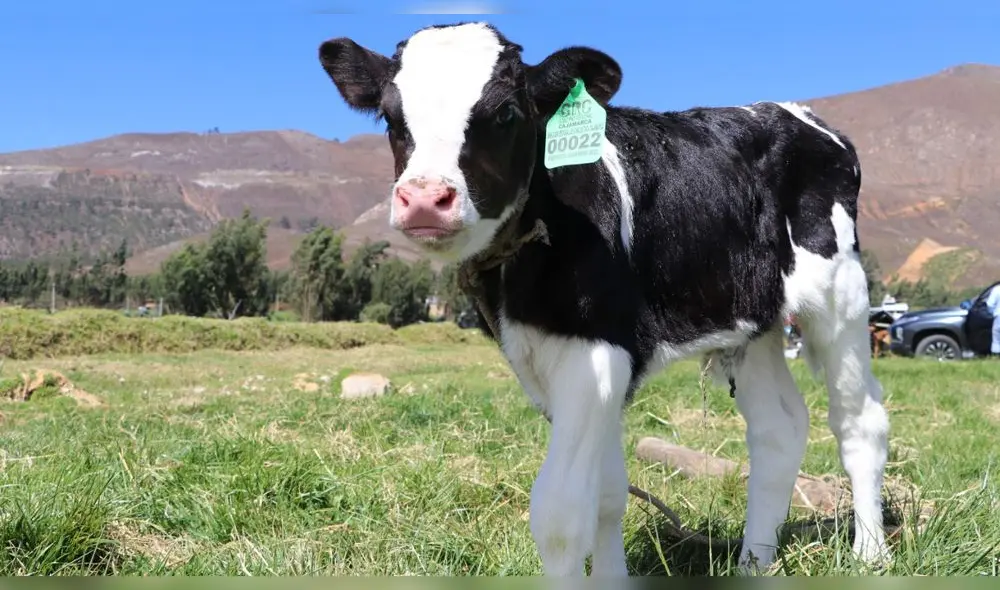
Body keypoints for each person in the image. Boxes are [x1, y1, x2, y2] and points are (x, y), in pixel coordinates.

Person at [988, 283, 1000, 356]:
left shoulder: (997, 289)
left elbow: (989, 305)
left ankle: (997, 357)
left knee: (997, 339)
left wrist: (991, 313)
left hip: (998, 316)